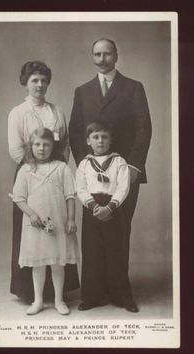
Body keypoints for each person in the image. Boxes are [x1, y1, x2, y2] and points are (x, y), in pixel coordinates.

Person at [69, 38, 152, 275]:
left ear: (116, 56)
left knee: (120, 229)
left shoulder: (133, 87)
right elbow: (75, 131)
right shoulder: (82, 91)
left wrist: (135, 166)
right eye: (97, 54)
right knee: (93, 234)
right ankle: (94, 292)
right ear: (92, 57)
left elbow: (143, 128)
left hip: (125, 171)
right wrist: (85, 166)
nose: (102, 59)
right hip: (92, 176)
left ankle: (120, 291)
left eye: (107, 54)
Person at [8, 61, 79, 303]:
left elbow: (66, 142)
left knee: (58, 229)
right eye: (34, 80)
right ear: (25, 83)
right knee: (33, 232)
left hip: (56, 174)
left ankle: (58, 294)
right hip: (30, 173)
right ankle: (31, 293)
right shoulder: (18, 112)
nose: (39, 85)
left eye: (43, 80)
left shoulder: (57, 110)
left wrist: (58, 166)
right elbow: (16, 149)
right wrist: (35, 168)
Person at [11, 128, 79, 315]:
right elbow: (18, 198)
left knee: (58, 263)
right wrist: (32, 214)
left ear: (53, 146)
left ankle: (59, 299)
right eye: (37, 144)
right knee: (38, 263)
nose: (41, 148)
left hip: (58, 222)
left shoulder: (62, 168)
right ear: (30, 147)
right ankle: (38, 300)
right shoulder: (25, 170)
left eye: (46, 144)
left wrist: (71, 219)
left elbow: (70, 195)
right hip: (36, 225)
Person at [76, 121, 138, 312]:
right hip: (91, 209)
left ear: (111, 140)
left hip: (113, 209)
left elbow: (123, 188)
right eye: (95, 137)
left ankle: (121, 295)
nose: (100, 141)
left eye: (104, 137)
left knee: (115, 252)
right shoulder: (84, 164)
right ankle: (92, 296)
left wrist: (109, 208)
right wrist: (95, 207)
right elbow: (81, 188)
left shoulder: (119, 162)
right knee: (92, 252)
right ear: (88, 141)